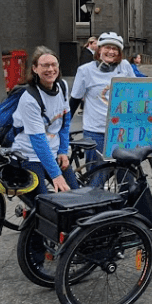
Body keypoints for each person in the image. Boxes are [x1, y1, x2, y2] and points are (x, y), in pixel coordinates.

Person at [70, 31, 136, 179]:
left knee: (126, 177)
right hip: (96, 132)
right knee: (97, 177)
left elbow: (137, 94)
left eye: (115, 49)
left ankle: (125, 202)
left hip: (121, 131)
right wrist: (62, 128)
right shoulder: (85, 70)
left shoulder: (125, 67)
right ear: (99, 49)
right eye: (107, 47)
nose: (111, 51)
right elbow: (74, 101)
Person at [13, 46, 77, 194]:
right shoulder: (29, 99)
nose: (50, 69)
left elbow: (65, 121)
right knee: (42, 203)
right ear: (35, 69)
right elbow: (38, 140)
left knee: (75, 195)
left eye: (54, 64)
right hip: (29, 154)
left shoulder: (62, 86)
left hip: (54, 151)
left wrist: (63, 151)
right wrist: (56, 175)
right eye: (45, 65)